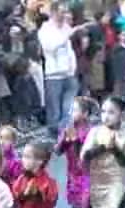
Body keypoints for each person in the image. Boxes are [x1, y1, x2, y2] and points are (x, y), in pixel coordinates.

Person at [37, 1, 93, 138]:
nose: (65, 14)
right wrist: (67, 36)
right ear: (54, 12)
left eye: (66, 11)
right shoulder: (45, 30)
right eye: (62, 11)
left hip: (69, 73)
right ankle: (53, 135)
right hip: (54, 75)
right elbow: (49, 48)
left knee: (69, 107)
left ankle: (64, 134)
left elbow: (69, 50)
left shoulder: (66, 27)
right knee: (54, 110)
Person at [54, 97, 98, 208]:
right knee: (76, 206)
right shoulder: (68, 129)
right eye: (71, 110)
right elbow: (58, 150)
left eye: (75, 110)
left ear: (85, 114)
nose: (71, 113)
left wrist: (77, 140)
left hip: (88, 174)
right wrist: (66, 140)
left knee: (88, 205)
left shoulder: (91, 131)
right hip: (73, 175)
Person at [0, 125, 22, 208]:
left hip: (12, 194)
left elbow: (18, 178)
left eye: (6, 139)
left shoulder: (15, 160)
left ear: (13, 142)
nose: (2, 142)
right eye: (1, 138)